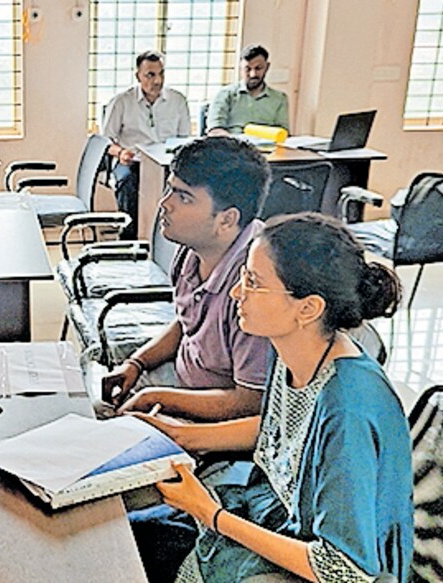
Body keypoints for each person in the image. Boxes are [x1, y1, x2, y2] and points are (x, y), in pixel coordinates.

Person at [145, 212, 413, 582]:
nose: (237, 292)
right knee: (139, 534)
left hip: (324, 566)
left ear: (308, 308)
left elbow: (343, 569)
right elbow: (284, 428)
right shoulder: (290, 346)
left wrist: (211, 515)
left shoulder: (348, 407)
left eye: (253, 282)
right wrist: (181, 436)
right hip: (279, 518)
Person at [100, 136, 273, 580]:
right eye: (170, 190)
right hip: (182, 384)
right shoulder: (194, 252)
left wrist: (159, 398)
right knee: (87, 413)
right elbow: (185, 321)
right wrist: (137, 364)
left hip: (216, 419)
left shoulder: (254, 288)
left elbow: (249, 402)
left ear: (227, 219)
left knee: (104, 499)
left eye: (183, 197)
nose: (165, 204)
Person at [103, 50, 192, 239]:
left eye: (161, 74)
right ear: (138, 76)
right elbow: (106, 142)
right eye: (150, 75)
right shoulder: (122, 102)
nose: (157, 81)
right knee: (127, 182)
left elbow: (185, 139)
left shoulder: (178, 101)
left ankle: (169, 239)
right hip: (132, 161)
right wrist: (121, 153)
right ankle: (129, 238)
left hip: (167, 163)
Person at [207, 44, 289, 136]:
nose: (253, 74)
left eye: (258, 68)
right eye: (247, 69)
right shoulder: (225, 94)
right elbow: (215, 130)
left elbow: (283, 133)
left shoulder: (279, 98)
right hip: (231, 142)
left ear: (267, 67)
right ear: (240, 68)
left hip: (266, 144)